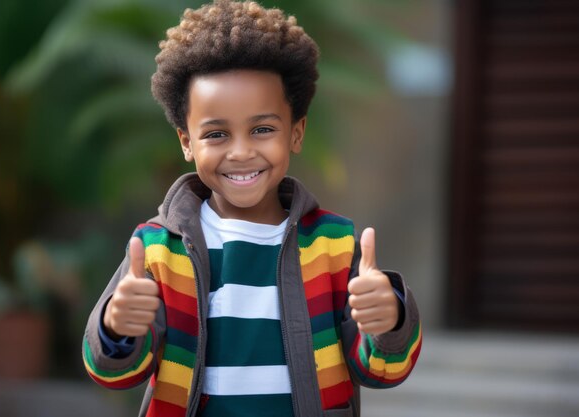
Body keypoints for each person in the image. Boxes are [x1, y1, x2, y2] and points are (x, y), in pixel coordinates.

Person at [82, 1, 421, 416]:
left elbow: (383, 370)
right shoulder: (155, 250)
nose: (241, 152)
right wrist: (118, 329)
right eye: (217, 133)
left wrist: (389, 321)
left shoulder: (333, 247)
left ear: (296, 133)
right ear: (186, 142)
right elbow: (111, 371)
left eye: (262, 129)